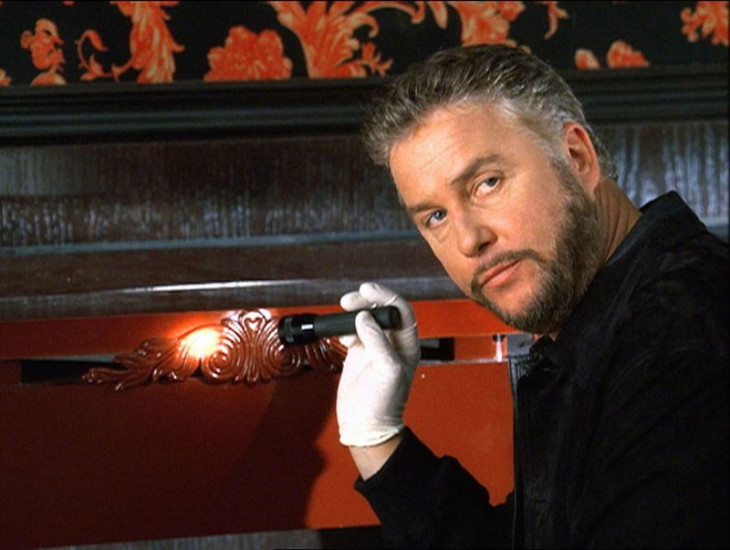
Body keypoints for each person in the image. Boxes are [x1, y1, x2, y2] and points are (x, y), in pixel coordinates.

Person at [334, 44, 729, 548]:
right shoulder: (602, 321)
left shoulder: (685, 337)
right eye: (436, 216)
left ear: (577, 158)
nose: (468, 240)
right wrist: (377, 439)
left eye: (486, 183)